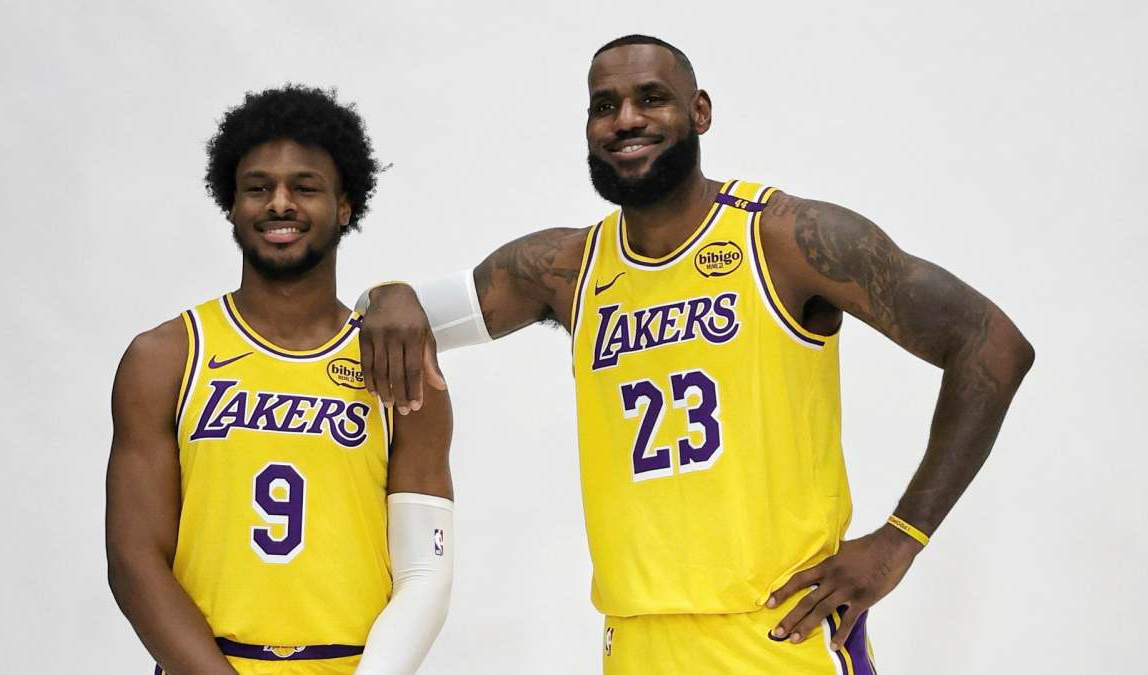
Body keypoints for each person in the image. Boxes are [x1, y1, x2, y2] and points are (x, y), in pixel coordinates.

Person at [356, 35, 1034, 674]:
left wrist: (899, 540)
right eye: (604, 105)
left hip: (777, 637)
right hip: (636, 641)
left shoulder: (786, 238)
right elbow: (412, 313)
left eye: (651, 97)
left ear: (699, 111)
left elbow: (992, 345)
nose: (625, 118)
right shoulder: (566, 266)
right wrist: (388, 290)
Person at [106, 85, 455, 675]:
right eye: (258, 187)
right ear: (233, 203)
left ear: (345, 205)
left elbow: (426, 572)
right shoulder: (165, 357)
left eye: (306, 187)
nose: (280, 203)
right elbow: (135, 560)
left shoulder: (398, 365)